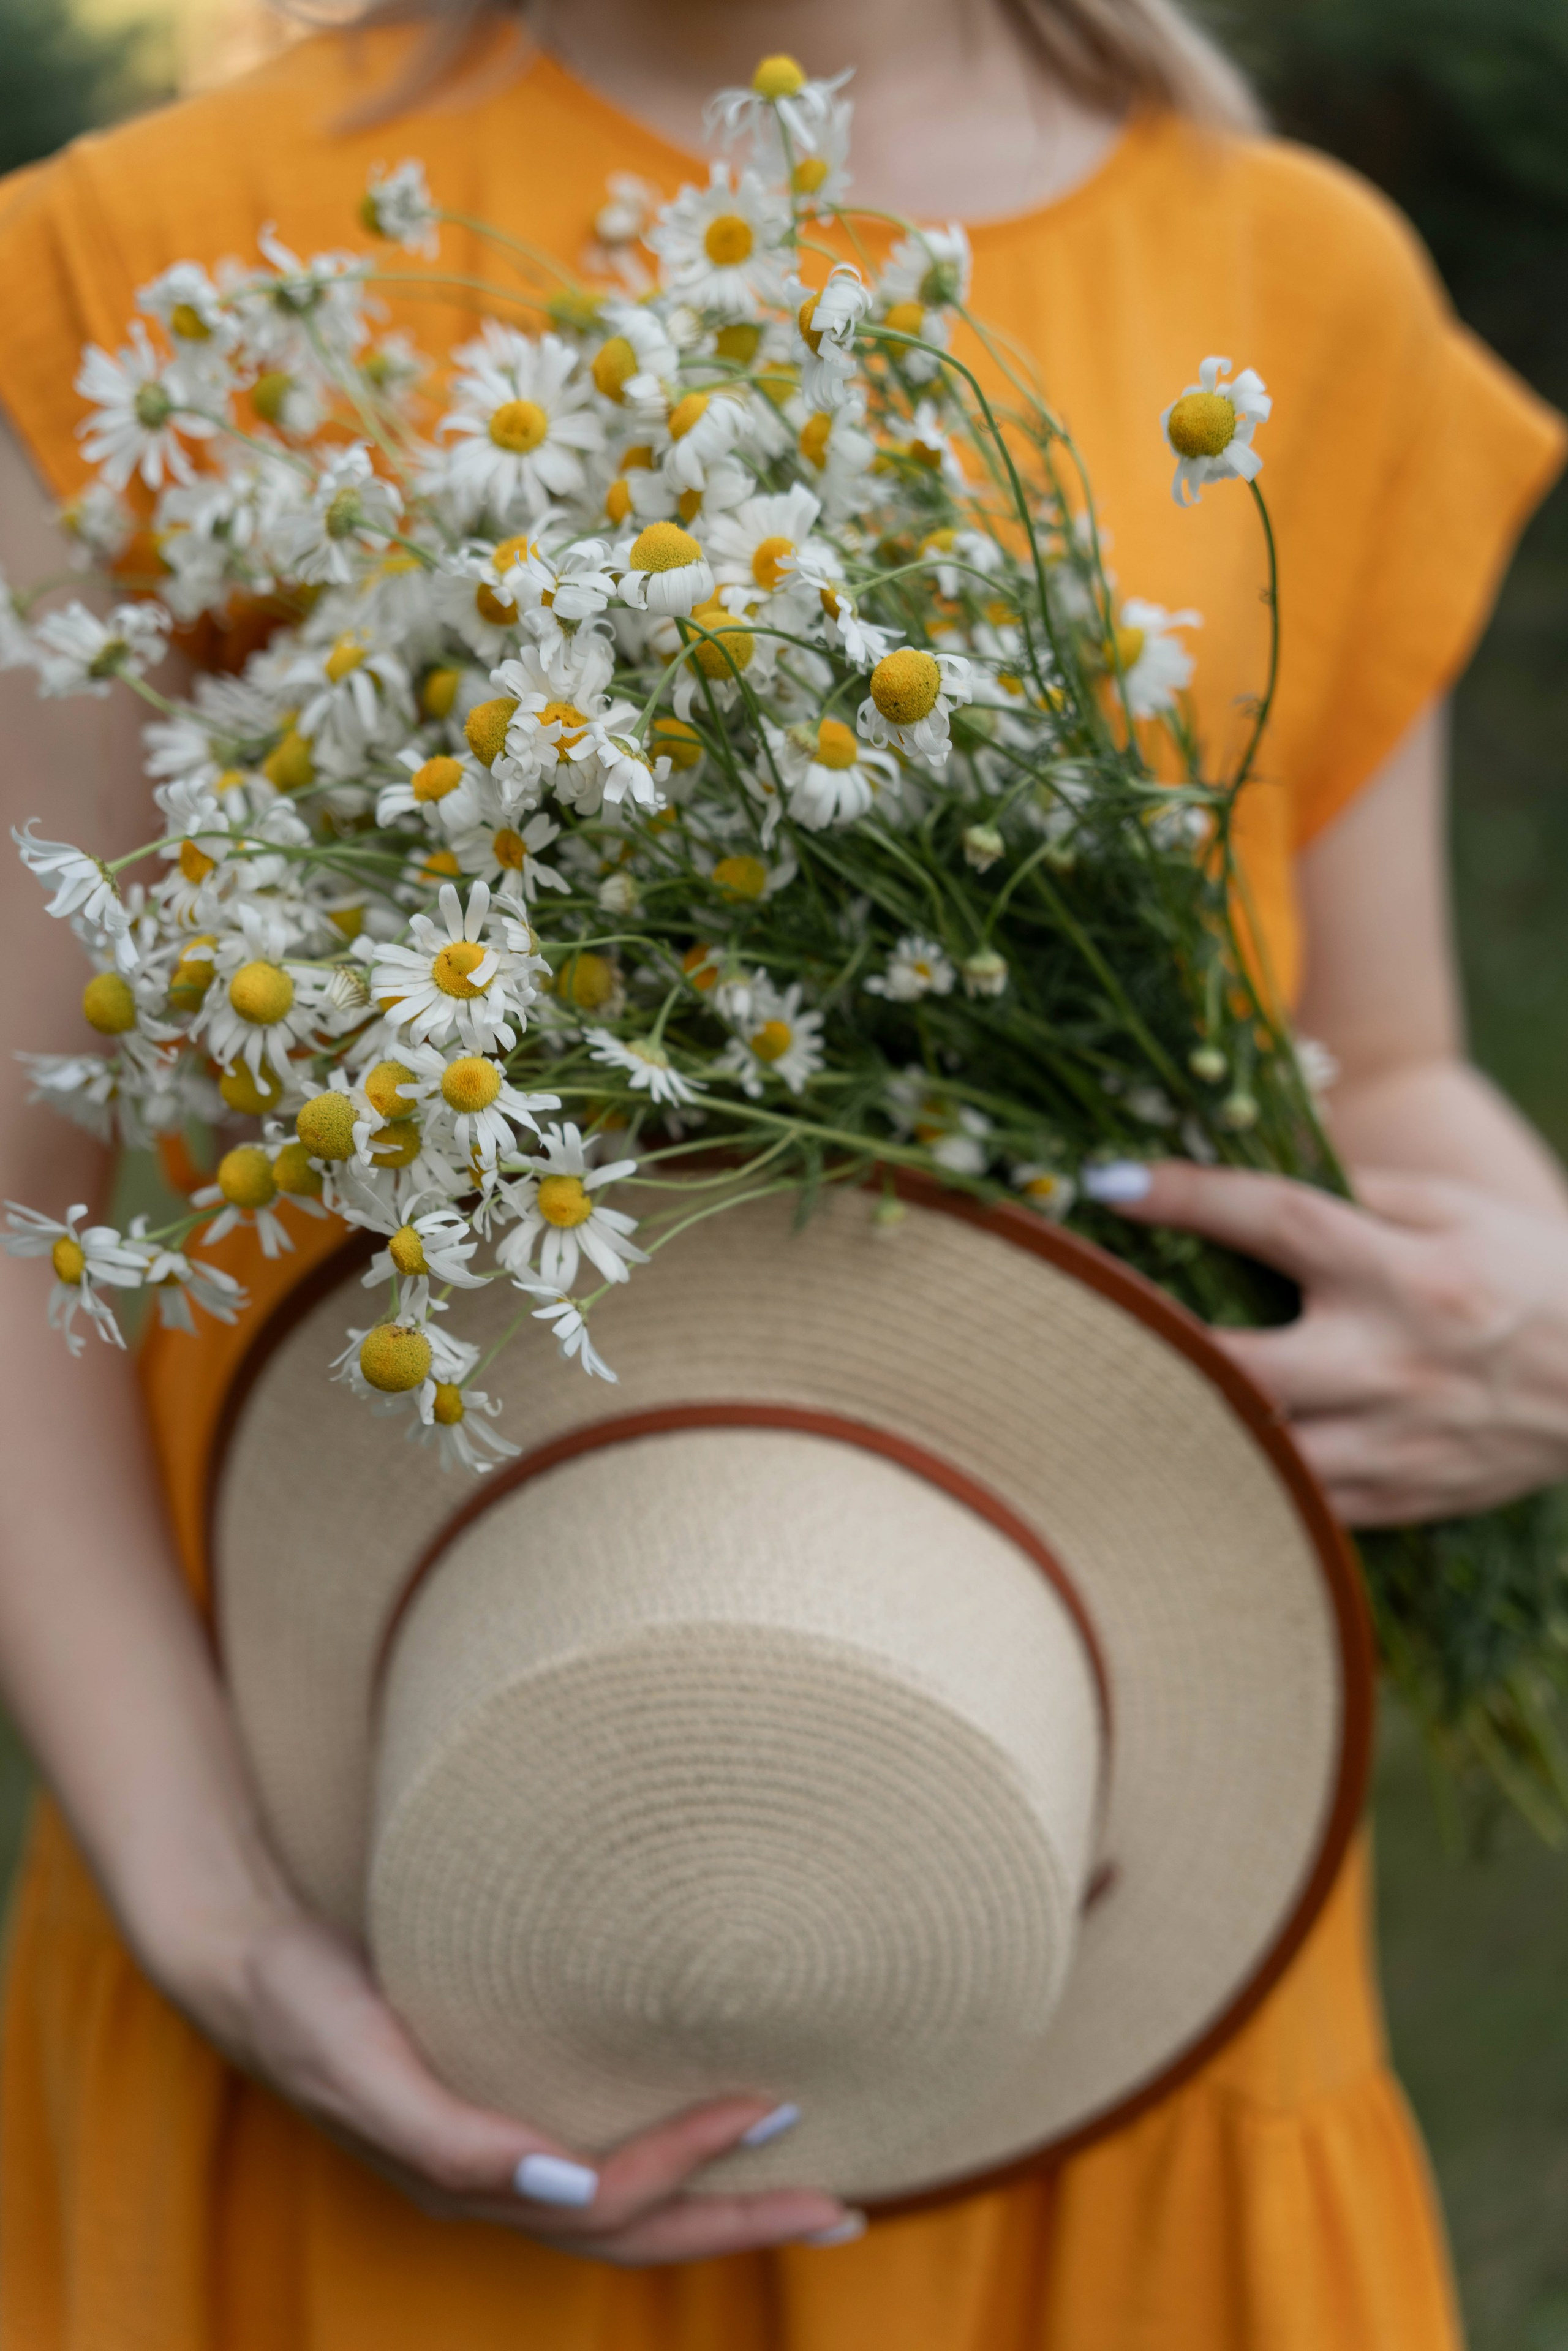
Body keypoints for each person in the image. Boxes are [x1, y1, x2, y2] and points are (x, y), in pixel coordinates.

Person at [0, 0, 1564, 2341]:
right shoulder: (148, 267)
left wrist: (1527, 1301)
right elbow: (33, 1194)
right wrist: (219, 1908)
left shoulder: (1291, 278)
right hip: (372, 1965)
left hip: (1096, 1938)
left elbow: (1387, 1052)